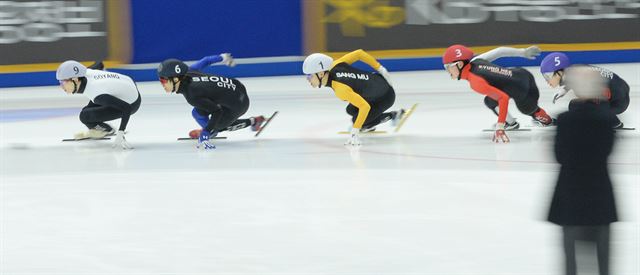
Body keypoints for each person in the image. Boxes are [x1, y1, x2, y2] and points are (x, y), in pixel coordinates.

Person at [548, 66, 618, 275]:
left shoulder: (564, 121)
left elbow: (559, 156)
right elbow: (608, 151)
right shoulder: (606, 120)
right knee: (603, 258)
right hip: (600, 194)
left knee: (571, 259)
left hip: (569, 193)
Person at [442, 44, 554, 143]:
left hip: (521, 89)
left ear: (460, 64)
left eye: (448, 67)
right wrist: (523, 52)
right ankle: (511, 123)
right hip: (521, 73)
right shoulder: (476, 60)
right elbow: (500, 51)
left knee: (528, 109)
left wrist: (499, 127)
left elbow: (503, 98)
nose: (447, 71)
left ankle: (546, 120)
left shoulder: (475, 82)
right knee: (489, 101)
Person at [157, 53, 265, 150]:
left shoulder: (192, 95)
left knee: (220, 125)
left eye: (164, 80)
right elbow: (206, 60)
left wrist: (206, 132)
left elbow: (217, 111)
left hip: (239, 104)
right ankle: (212, 129)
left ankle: (254, 121)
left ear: (176, 79)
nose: (162, 84)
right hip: (237, 86)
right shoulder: (189, 71)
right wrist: (223, 57)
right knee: (196, 113)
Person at [302, 49, 405, 146]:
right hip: (378, 81)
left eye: (309, 76)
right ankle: (368, 125)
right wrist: (380, 68)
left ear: (320, 73)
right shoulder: (336, 64)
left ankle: (393, 115)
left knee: (357, 120)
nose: (308, 79)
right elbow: (359, 53)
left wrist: (355, 131)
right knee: (350, 109)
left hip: (385, 96)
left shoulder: (340, 89)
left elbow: (364, 107)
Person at [56, 60, 141, 149]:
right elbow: (99, 64)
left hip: (132, 103)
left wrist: (120, 133)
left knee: (85, 116)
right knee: (86, 112)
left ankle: (106, 130)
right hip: (128, 83)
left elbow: (126, 108)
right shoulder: (85, 72)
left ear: (75, 80)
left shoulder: (96, 93)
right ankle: (98, 129)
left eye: (63, 83)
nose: (61, 87)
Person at [540, 52, 630, 129]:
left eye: (548, 76)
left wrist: (610, 119)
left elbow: (600, 99)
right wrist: (564, 90)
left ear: (559, 73)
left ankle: (614, 123)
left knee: (577, 106)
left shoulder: (581, 80)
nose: (547, 80)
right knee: (577, 105)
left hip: (618, 102)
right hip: (619, 93)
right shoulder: (574, 70)